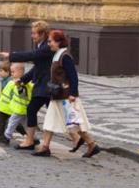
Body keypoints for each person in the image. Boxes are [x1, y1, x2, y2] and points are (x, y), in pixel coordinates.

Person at [32, 30, 101, 158]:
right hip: (56, 95)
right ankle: (45, 147)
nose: (49, 44)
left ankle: (92, 144)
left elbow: (73, 76)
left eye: (50, 41)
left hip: (65, 96)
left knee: (74, 123)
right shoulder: (57, 55)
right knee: (50, 121)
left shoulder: (65, 56)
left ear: (58, 42)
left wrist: (73, 93)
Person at [0, 21, 54, 150]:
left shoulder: (47, 47)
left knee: (49, 114)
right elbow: (36, 67)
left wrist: (11, 55)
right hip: (43, 86)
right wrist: (22, 80)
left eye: (34, 33)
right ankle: (33, 141)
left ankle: (32, 141)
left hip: (46, 86)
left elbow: (32, 56)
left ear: (43, 34)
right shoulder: (41, 45)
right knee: (42, 112)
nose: (32, 36)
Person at [0, 60, 26, 143]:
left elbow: (13, 94)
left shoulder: (10, 82)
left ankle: (1, 137)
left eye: (1, 71)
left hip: (8, 107)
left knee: (3, 122)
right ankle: (27, 135)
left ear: (7, 72)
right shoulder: (5, 81)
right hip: (6, 107)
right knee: (13, 123)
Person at [2, 63, 31, 145]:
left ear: (20, 72)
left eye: (13, 72)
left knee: (12, 121)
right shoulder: (17, 82)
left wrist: (18, 86)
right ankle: (34, 138)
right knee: (26, 124)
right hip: (22, 108)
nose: (11, 74)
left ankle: (6, 136)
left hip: (20, 108)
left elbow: (23, 95)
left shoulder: (22, 83)